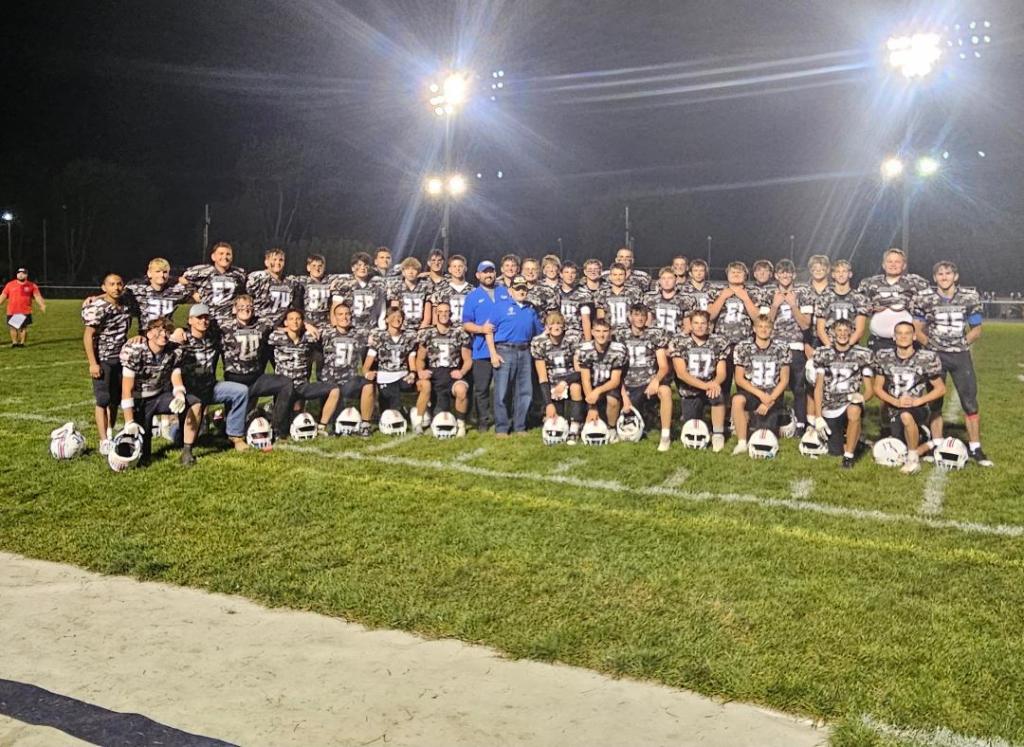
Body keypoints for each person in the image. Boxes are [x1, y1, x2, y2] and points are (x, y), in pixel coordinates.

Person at [912, 261, 993, 466]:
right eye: (940, 274)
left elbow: (976, 329)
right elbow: (917, 329)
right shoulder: (925, 298)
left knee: (970, 403)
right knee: (935, 402)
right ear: (934, 278)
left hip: (960, 356)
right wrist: (931, 346)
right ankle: (937, 443)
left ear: (955, 276)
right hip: (935, 356)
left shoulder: (969, 297)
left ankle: (975, 447)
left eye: (948, 273)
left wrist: (962, 344)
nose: (944, 277)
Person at [119, 318, 203, 466]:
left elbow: (175, 375)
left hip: (159, 395)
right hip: (139, 401)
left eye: (167, 331)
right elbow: (127, 389)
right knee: (142, 456)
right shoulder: (134, 350)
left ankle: (187, 451)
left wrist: (179, 394)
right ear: (149, 333)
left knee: (195, 403)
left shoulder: (174, 350)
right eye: (159, 330)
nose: (164, 335)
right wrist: (129, 421)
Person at [872, 321, 945, 474]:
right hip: (893, 408)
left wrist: (918, 400)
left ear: (914, 336)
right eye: (900, 333)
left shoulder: (926, 358)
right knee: (896, 448)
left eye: (907, 333)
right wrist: (895, 402)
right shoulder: (884, 356)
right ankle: (930, 441)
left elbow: (940, 389)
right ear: (894, 337)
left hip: (917, 407)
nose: (903, 336)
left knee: (906, 416)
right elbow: (877, 388)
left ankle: (913, 460)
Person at [175, 304, 251, 451]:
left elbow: (232, 324)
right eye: (199, 318)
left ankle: (235, 436)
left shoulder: (214, 337)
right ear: (190, 320)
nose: (203, 321)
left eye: (206, 318)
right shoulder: (181, 339)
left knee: (241, 391)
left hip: (211, 387)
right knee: (183, 438)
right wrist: (176, 330)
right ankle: (174, 431)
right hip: (190, 392)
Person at [220, 294, 294, 440]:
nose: (245, 310)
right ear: (234, 309)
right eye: (241, 307)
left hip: (256, 378)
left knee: (286, 383)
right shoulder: (224, 325)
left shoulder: (262, 324)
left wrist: (291, 329)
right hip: (235, 380)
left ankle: (277, 427)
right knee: (233, 427)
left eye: (249, 307)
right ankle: (225, 425)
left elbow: (281, 326)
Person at [810, 318, 874, 468]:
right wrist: (818, 416)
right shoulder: (823, 353)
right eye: (839, 330)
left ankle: (849, 458)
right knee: (835, 451)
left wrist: (862, 397)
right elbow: (818, 387)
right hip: (830, 406)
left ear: (852, 332)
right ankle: (857, 443)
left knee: (854, 409)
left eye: (846, 330)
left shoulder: (862, 354)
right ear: (832, 333)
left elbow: (870, 390)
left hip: (849, 402)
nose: (843, 334)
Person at [485, 276, 544, 437]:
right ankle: (502, 427)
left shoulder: (531, 310)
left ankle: (520, 426)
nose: (521, 292)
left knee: (525, 391)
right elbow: (488, 331)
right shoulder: (500, 308)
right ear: (511, 291)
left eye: (524, 289)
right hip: (504, 350)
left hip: (525, 351)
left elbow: (539, 333)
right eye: (518, 289)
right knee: (502, 391)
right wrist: (493, 354)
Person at [268, 309, 340, 435]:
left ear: (302, 322)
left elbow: (326, 333)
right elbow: (265, 329)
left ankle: (322, 426)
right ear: (285, 322)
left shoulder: (308, 337)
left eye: (298, 319)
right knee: (283, 428)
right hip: (284, 387)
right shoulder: (276, 337)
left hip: (302, 385)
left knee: (335, 390)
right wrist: (281, 329)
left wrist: (309, 327)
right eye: (291, 319)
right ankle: (274, 424)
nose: (295, 322)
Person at [82, 273, 132, 454]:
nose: (116, 287)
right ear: (104, 287)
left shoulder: (126, 303)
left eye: (119, 284)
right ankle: (103, 440)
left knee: (115, 399)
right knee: (102, 399)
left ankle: (110, 431)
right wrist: (93, 363)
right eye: (111, 284)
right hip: (104, 359)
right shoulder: (98, 307)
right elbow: (88, 336)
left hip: (122, 358)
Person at [668, 309, 729, 452]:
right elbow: (682, 374)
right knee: (691, 426)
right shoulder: (679, 341)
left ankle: (718, 434)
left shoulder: (718, 341)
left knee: (718, 397)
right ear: (690, 324)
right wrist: (706, 386)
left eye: (703, 323)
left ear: (709, 325)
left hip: (710, 387)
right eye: (696, 323)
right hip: (690, 390)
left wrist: (714, 383)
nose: (699, 326)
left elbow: (721, 372)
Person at [730, 315, 791, 455]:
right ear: (754, 329)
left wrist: (769, 400)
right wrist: (761, 395)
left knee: (763, 433)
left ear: (772, 330)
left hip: (773, 393)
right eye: (760, 327)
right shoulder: (743, 347)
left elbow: (784, 380)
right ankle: (741, 443)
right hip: (753, 392)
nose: (764, 330)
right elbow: (739, 379)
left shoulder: (782, 348)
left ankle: (784, 416)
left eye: (767, 327)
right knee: (737, 400)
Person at [361, 308, 427, 432]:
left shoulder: (408, 337)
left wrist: (412, 374)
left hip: (402, 375)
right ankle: (401, 410)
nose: (397, 319)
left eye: (399, 316)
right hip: (385, 376)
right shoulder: (379, 337)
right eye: (393, 316)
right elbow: (366, 366)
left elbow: (411, 360)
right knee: (390, 411)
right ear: (386, 319)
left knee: (423, 385)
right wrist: (367, 373)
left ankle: (418, 414)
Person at [462, 260, 510, 430]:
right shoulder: (472, 296)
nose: (488, 275)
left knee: (503, 389)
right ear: (478, 275)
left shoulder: (504, 292)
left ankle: (503, 419)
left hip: (504, 348)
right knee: (481, 388)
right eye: (485, 272)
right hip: (481, 350)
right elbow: (466, 324)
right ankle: (483, 419)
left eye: (491, 271)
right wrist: (481, 329)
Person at [708, 261, 760, 417]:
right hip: (723, 345)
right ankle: (721, 420)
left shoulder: (753, 292)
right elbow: (709, 316)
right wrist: (723, 297)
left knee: (744, 386)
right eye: (733, 272)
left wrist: (746, 299)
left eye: (739, 272)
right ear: (727, 274)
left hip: (744, 345)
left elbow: (758, 318)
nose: (736, 274)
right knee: (722, 384)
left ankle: (743, 419)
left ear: (746, 275)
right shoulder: (717, 291)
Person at [619, 304, 673, 451]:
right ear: (630, 317)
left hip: (648, 383)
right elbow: (616, 369)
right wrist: (623, 394)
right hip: (627, 383)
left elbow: (663, 366)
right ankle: (610, 428)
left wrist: (655, 381)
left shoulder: (654, 334)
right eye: (636, 315)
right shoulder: (620, 335)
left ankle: (665, 435)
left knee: (666, 391)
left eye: (643, 315)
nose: (640, 318)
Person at [768, 259, 813, 433]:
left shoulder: (803, 293)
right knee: (775, 385)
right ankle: (776, 420)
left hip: (795, 346)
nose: (785, 275)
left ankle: (801, 424)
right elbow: (765, 323)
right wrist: (774, 305)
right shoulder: (770, 294)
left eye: (788, 272)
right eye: (781, 272)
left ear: (794, 275)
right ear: (776, 275)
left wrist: (793, 305)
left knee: (798, 387)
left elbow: (805, 324)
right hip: (775, 347)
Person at [416, 300, 472, 436]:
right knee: (425, 386)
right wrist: (420, 372)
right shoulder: (428, 333)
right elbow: (420, 359)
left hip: (452, 373)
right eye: (440, 312)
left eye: (447, 311)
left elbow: (468, 360)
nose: (444, 314)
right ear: (436, 314)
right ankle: (418, 422)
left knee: (462, 390)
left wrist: (462, 372)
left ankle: (461, 424)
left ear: (451, 313)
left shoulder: (459, 333)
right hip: (434, 374)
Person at [857, 248, 929, 352]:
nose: (893, 264)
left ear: (904, 265)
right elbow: (857, 304)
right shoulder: (870, 283)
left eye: (897, 262)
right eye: (889, 261)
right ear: (883, 265)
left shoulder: (915, 283)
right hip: (878, 341)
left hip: (907, 340)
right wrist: (871, 308)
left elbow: (930, 304)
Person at [532, 311, 585, 443]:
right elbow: (542, 376)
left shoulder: (571, 340)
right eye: (552, 323)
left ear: (564, 326)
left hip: (569, 380)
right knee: (555, 419)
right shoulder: (540, 343)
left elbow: (579, 371)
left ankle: (575, 427)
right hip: (551, 384)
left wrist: (564, 383)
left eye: (559, 323)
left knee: (576, 388)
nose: (556, 327)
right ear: (546, 327)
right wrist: (548, 404)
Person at [319, 301, 370, 425]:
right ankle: (323, 425)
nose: (344, 317)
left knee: (369, 385)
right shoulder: (326, 333)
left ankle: (366, 423)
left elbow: (378, 341)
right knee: (335, 420)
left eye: (347, 314)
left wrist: (368, 369)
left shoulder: (359, 334)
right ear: (334, 318)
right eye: (340, 314)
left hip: (349, 380)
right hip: (330, 380)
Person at [574, 318, 628, 429]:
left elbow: (615, 381)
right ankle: (576, 424)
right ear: (592, 332)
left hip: (608, 385)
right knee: (575, 388)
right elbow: (585, 379)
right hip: (591, 385)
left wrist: (598, 391)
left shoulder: (618, 350)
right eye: (598, 331)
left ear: (610, 332)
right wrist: (592, 406)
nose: (601, 335)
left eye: (605, 331)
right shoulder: (585, 349)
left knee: (612, 399)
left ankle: (612, 428)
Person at [180, 242, 247, 327]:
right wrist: (193, 292)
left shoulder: (239, 273)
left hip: (229, 319)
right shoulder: (203, 271)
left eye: (228, 254)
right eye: (221, 254)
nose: (225, 257)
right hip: (208, 318)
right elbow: (182, 279)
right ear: (213, 257)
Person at [815, 260, 869, 346]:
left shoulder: (859, 298)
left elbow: (860, 329)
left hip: (851, 346)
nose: (841, 274)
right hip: (829, 346)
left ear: (850, 274)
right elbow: (820, 330)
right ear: (833, 275)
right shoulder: (824, 297)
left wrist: (846, 347)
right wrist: (832, 348)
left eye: (844, 271)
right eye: (838, 271)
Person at [125, 257, 192, 327]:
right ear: (149, 273)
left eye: (165, 272)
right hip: (146, 333)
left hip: (167, 332)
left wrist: (185, 283)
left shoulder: (175, 290)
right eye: (158, 271)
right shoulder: (136, 291)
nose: (162, 275)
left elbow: (196, 295)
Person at [289, 254, 348, 331]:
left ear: (324, 267)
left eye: (320, 266)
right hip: (308, 323)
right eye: (313, 265)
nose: (317, 268)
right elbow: (286, 280)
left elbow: (348, 276)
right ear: (308, 267)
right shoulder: (302, 280)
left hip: (326, 324)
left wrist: (337, 282)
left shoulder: (329, 280)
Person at [246, 247, 298, 325]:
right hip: (260, 324)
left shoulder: (290, 282)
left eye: (281, 260)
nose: (277, 262)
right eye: (274, 259)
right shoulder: (258, 278)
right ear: (266, 262)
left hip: (283, 326)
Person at [593, 262, 643, 337]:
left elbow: (639, 315)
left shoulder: (635, 292)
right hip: (610, 334)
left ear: (625, 276)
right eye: (615, 275)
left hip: (629, 334)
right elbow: (601, 317)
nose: (618, 277)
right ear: (610, 276)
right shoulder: (602, 293)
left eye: (621, 274)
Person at [1, 267, 46, 347]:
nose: (21, 275)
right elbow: (3, 295)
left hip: (25, 310)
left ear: (26, 275)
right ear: (17, 274)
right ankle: (14, 343)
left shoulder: (32, 285)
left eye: (23, 273)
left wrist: (42, 305)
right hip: (12, 310)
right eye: (19, 273)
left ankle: (22, 343)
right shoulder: (10, 284)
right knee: (13, 327)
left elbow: (37, 296)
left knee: (23, 327)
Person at [388, 257, 432, 331]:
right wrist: (399, 328)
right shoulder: (397, 287)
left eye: (414, 269)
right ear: (403, 272)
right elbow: (394, 311)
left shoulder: (425, 286)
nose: (411, 272)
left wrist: (422, 328)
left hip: (421, 327)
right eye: (407, 269)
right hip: (402, 327)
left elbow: (427, 313)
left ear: (418, 272)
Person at [429, 254, 473, 327]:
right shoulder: (441, 290)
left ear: (465, 268)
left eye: (460, 266)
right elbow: (435, 314)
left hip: (467, 332)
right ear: (450, 269)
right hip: (448, 333)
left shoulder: (473, 291)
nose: (457, 269)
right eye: (454, 266)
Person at [645, 266, 687, 334]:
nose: (666, 281)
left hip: (677, 339)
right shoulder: (650, 298)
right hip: (655, 339)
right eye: (663, 278)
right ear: (659, 281)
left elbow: (687, 326)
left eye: (670, 278)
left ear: (676, 280)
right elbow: (648, 322)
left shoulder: (685, 299)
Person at [557, 261, 592, 341]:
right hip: (559, 335)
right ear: (561, 274)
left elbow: (586, 320)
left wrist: (588, 342)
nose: (570, 275)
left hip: (577, 336)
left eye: (573, 273)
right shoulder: (554, 293)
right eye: (566, 272)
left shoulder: (583, 294)